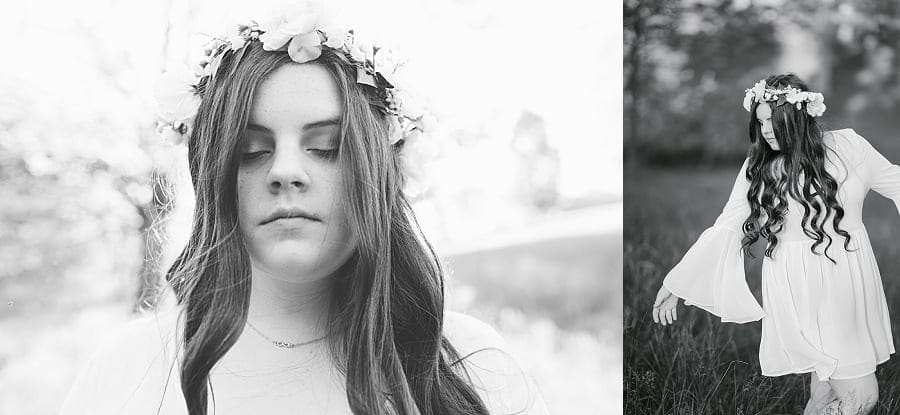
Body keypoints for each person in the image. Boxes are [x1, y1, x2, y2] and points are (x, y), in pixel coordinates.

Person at [58, 3, 548, 414]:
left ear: (381, 168)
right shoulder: (129, 370)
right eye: (252, 150)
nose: (285, 171)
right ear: (216, 173)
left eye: (327, 147)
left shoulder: (467, 365)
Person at [651, 73, 898, 414]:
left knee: (825, 395)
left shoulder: (850, 147)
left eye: (773, 120)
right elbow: (727, 226)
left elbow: (897, 183)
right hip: (802, 286)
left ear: (797, 115)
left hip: (849, 278)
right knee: (861, 398)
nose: (766, 130)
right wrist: (678, 281)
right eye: (760, 121)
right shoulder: (760, 165)